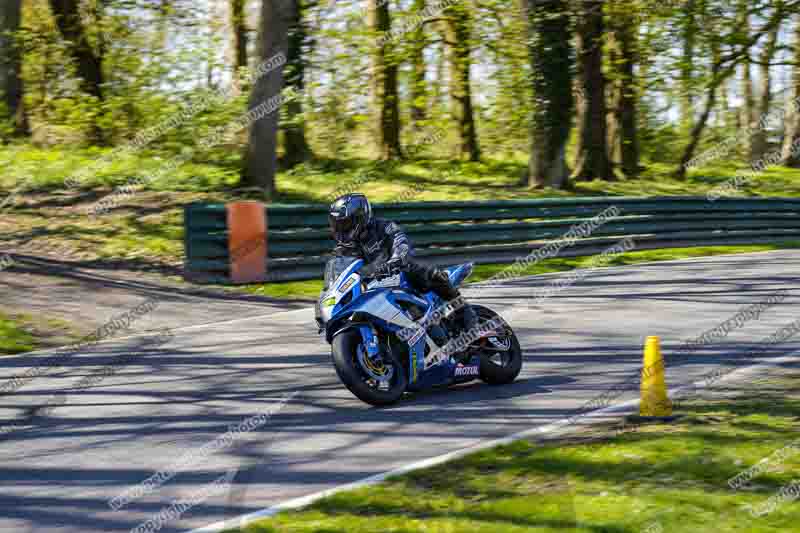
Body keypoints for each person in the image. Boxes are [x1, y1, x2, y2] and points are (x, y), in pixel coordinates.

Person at [328, 193, 479, 331]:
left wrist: (395, 260)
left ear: (360, 218)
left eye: (345, 224)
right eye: (337, 225)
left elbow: (401, 243)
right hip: (371, 286)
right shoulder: (342, 250)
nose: (341, 229)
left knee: (420, 269)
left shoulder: (383, 227)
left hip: (399, 273)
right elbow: (340, 271)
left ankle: (464, 310)